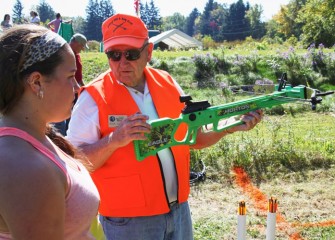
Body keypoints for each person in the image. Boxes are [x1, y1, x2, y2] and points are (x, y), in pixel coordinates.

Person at [66, 13, 262, 240]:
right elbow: (75, 163)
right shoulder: (92, 98)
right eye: (114, 55)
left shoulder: (167, 83)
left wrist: (230, 126)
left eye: (130, 54)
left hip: (178, 211)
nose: (122, 62)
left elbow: (195, 137)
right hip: (127, 222)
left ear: (148, 52)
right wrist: (114, 140)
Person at [0, 24, 100, 239]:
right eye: (70, 76)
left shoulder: (34, 138)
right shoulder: (24, 166)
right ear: (36, 82)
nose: (77, 87)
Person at [52, 33, 89, 136]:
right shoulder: (64, 55)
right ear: (75, 43)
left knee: (71, 119)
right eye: (81, 46)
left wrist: (84, 89)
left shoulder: (76, 55)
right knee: (60, 123)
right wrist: (78, 88)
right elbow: (67, 76)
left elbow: (77, 77)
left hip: (73, 93)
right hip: (62, 93)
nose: (82, 49)